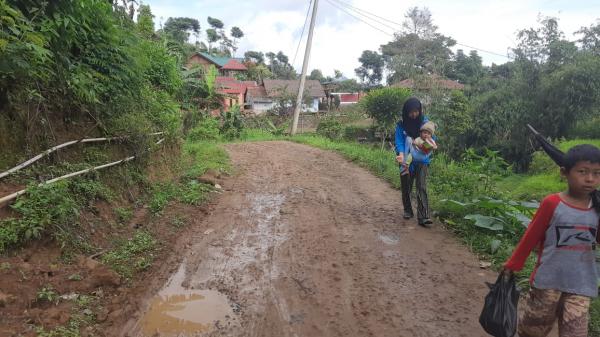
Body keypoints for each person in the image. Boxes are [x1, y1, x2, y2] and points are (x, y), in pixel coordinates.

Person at [503, 144, 600, 337]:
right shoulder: (552, 203)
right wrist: (512, 264)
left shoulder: (597, 207)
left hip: (581, 284)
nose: (590, 179)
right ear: (564, 172)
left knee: (576, 333)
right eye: (582, 172)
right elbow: (531, 236)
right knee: (532, 331)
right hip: (547, 282)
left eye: (597, 173)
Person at [394, 97, 436, 227]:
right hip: (406, 159)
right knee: (406, 186)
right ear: (406, 112)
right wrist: (401, 154)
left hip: (422, 159)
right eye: (411, 112)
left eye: (416, 111)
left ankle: (423, 216)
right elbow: (399, 141)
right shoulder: (401, 125)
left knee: (421, 186)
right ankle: (408, 210)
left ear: (420, 110)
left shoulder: (425, 122)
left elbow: (431, 137)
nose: (413, 114)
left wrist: (427, 146)